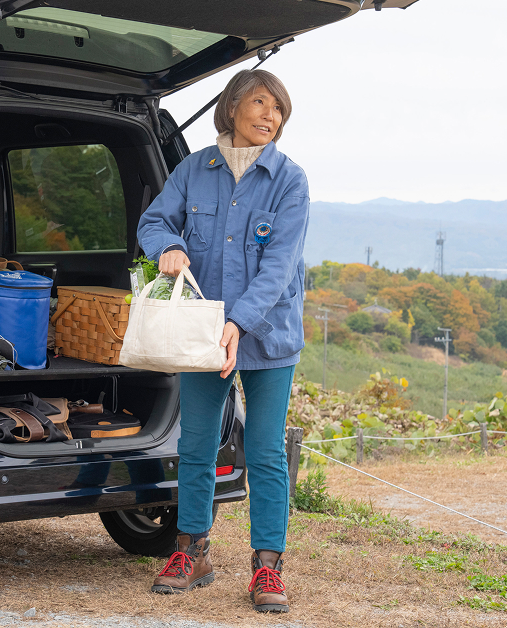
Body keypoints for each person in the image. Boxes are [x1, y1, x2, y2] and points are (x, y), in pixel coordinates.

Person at [136, 69, 309, 614]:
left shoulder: (290, 180)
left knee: (263, 452)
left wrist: (238, 324)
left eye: (278, 109)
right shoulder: (195, 169)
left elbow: (279, 268)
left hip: (267, 337)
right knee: (195, 447)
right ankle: (192, 552)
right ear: (232, 106)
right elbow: (154, 220)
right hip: (200, 337)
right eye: (260, 103)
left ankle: (267, 567)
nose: (270, 116)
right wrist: (168, 245)